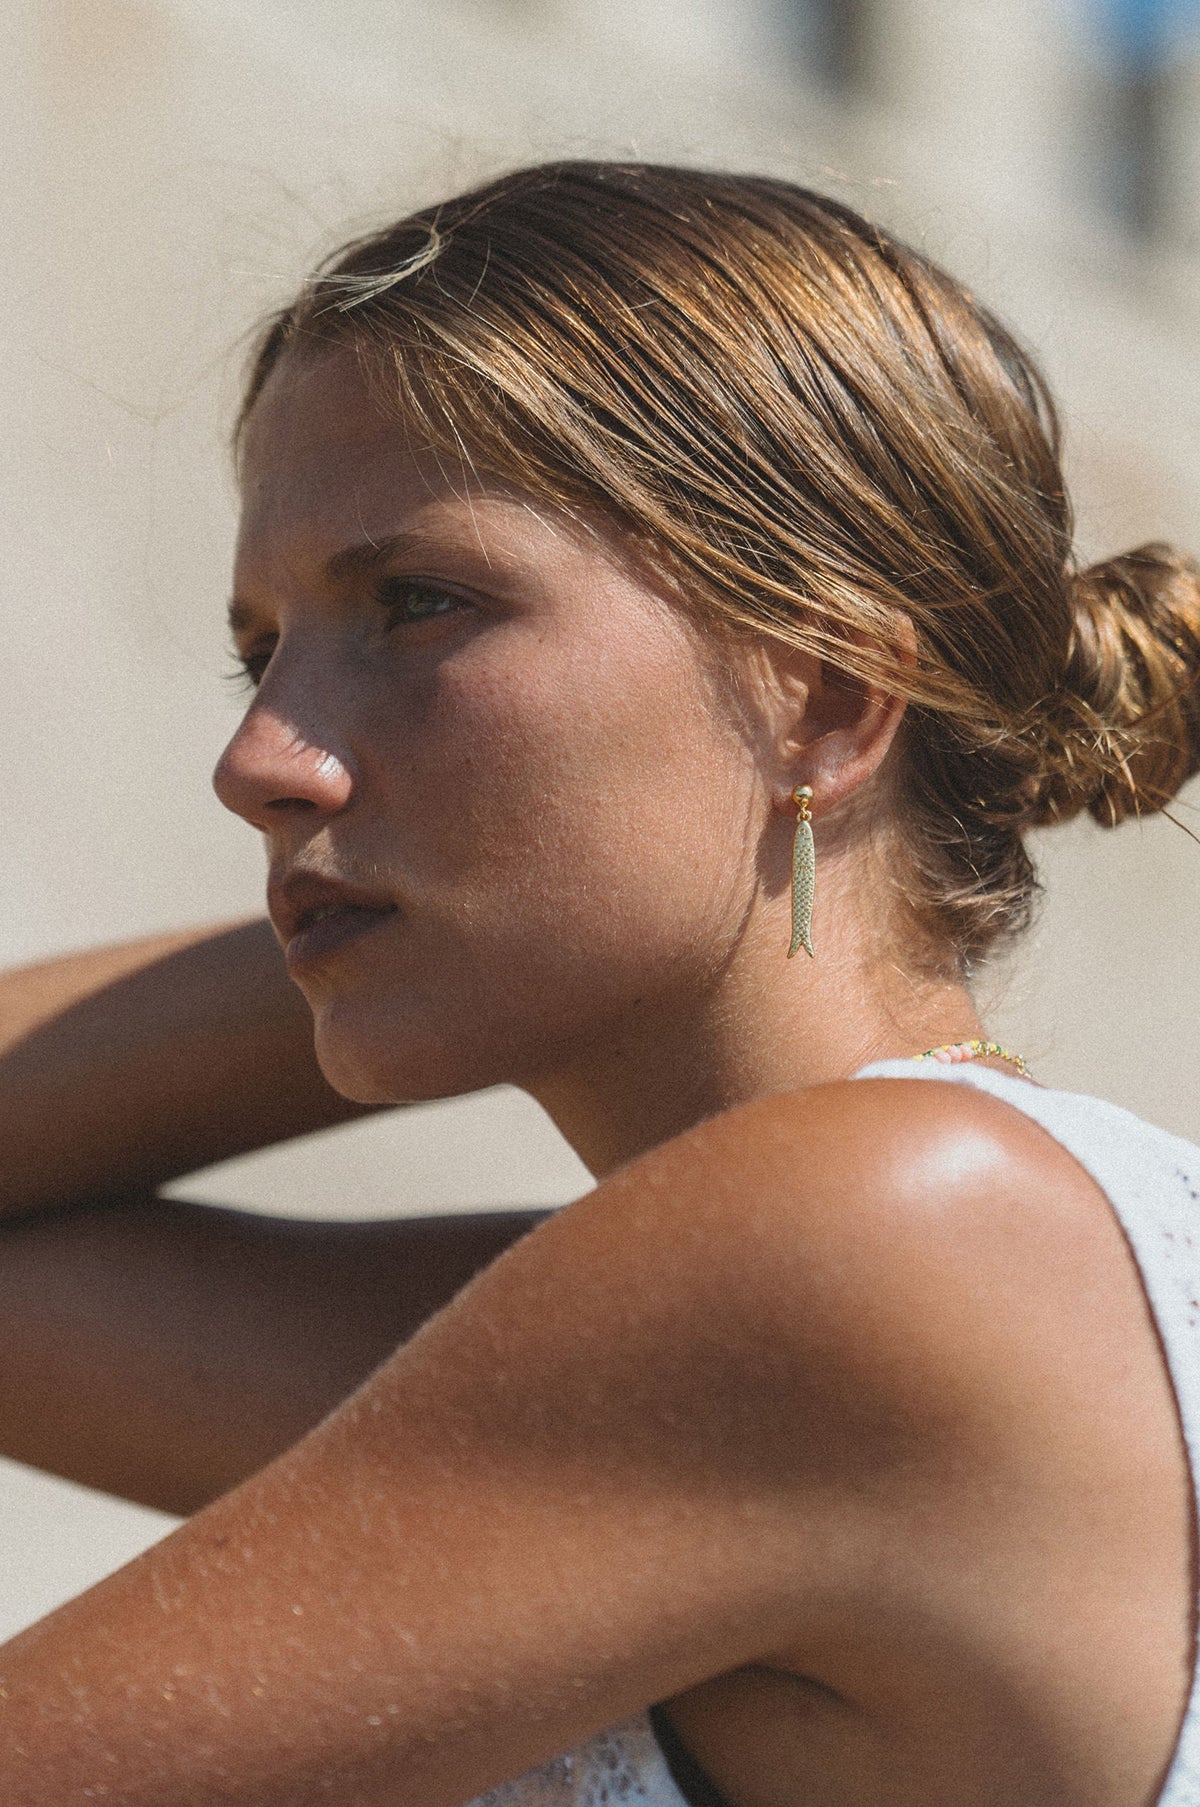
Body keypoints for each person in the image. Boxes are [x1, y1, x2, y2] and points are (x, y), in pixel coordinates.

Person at [0, 159, 1198, 1807]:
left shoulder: (873, 1252)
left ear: (827, 699)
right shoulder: (928, 1272)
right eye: (260, 651)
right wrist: (449, 913)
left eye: (417, 606)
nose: (257, 760)